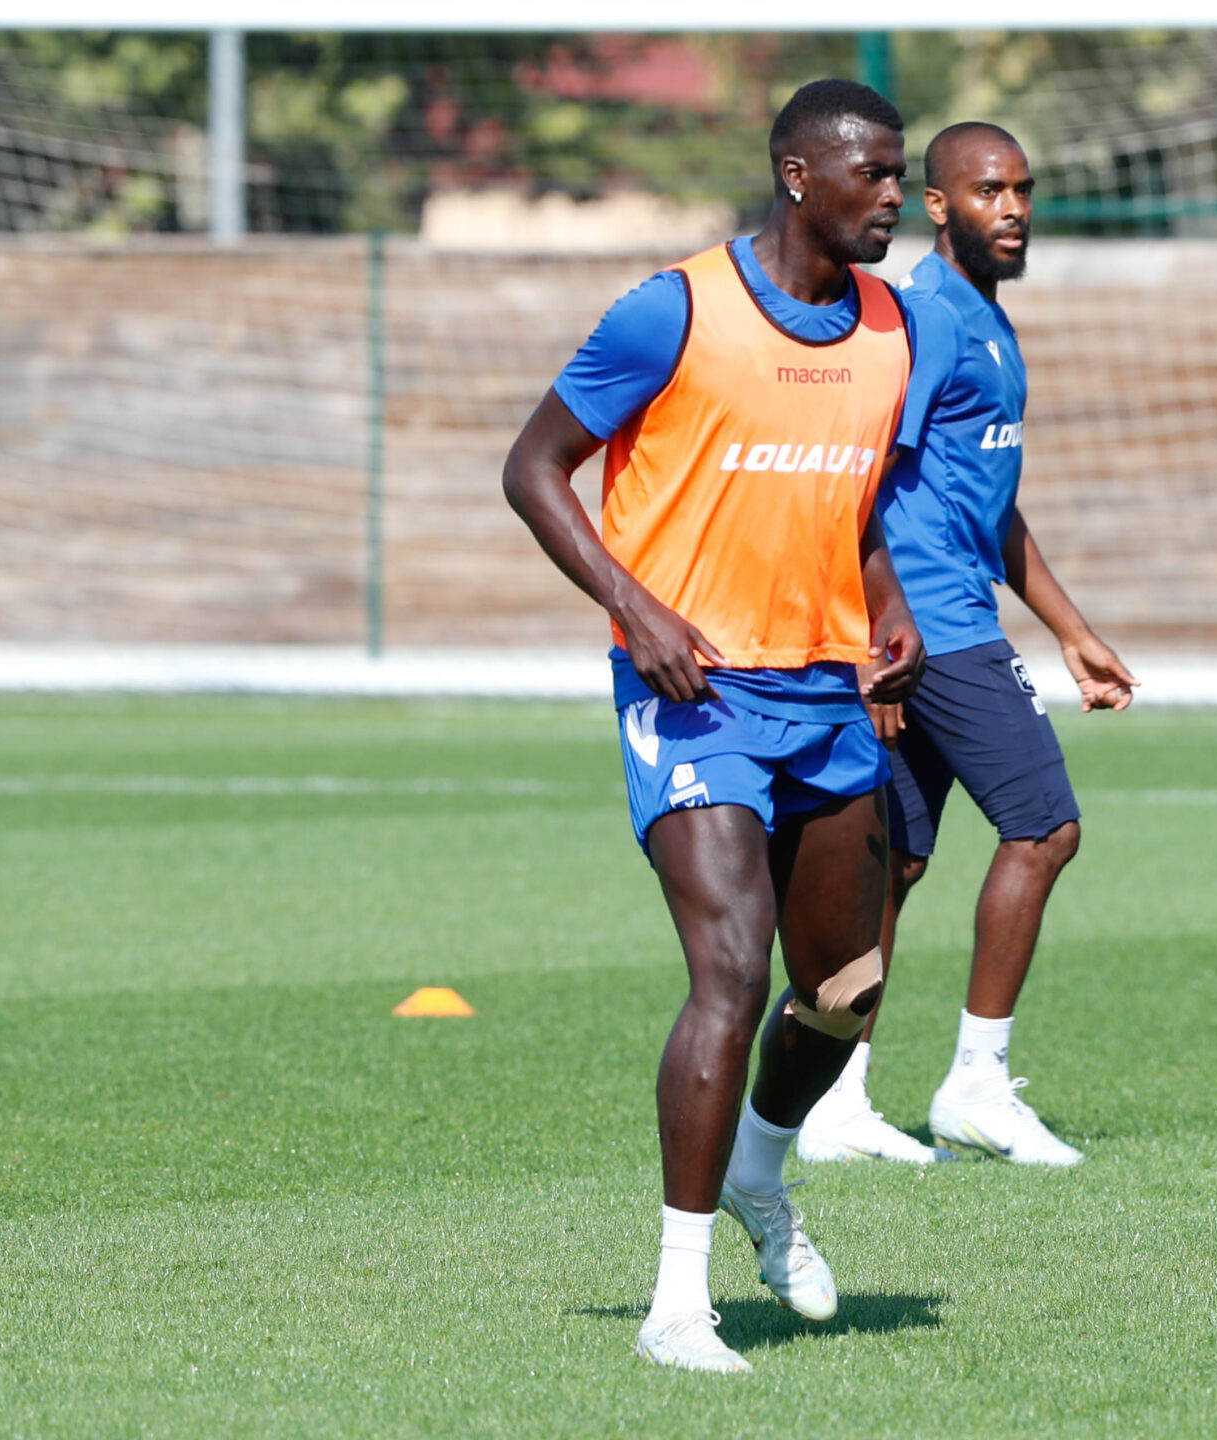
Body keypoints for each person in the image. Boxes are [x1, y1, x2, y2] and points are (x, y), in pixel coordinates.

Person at [500, 79, 922, 1372]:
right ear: (800, 176)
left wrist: (888, 607)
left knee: (847, 990)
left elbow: (851, 497)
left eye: (901, 173)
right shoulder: (673, 310)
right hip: (693, 691)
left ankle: (759, 1167)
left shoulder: (892, 325)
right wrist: (641, 611)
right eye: (874, 173)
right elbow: (532, 469)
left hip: (825, 688)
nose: (894, 196)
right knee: (730, 968)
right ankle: (676, 1305)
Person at [794, 122, 1136, 1170]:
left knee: (890, 864)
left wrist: (1072, 632)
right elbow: (852, 482)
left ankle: (834, 1101)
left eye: (1024, 189)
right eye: (989, 190)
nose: (1014, 208)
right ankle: (974, 1086)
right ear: (938, 207)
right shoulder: (924, 319)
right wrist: (866, 641)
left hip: (950, 618)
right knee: (1043, 826)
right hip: (928, 629)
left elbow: (993, 508)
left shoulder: (989, 320)